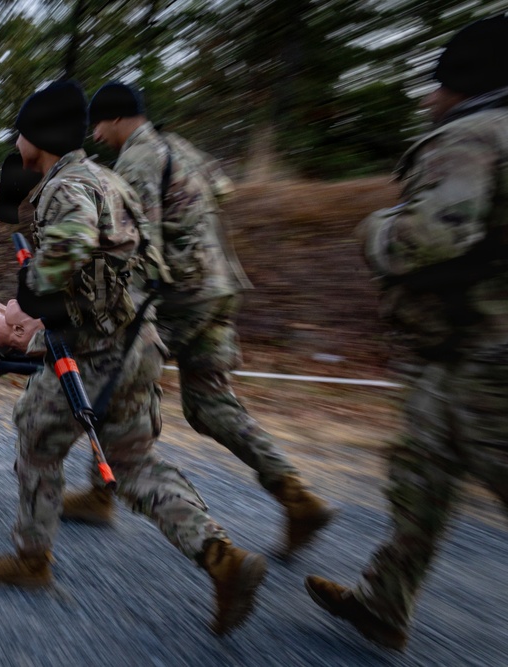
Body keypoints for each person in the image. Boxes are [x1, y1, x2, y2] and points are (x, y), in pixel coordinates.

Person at [0, 81, 267, 636]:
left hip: (92, 350)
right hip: (139, 341)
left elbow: (73, 240)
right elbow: (146, 252)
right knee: (133, 463)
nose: (15, 140)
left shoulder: (68, 187)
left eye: (19, 130)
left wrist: (36, 290)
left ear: (37, 135)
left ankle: (31, 560)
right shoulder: (111, 178)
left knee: (36, 441)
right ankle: (220, 557)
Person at [304, 16, 508, 651]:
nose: (427, 98)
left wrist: (375, 230)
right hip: (455, 352)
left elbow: (431, 236)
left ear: (463, 84)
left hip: (485, 357)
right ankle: (382, 603)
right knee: (421, 479)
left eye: (434, 84)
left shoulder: (474, 134)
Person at [80, 81, 335, 556]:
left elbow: (136, 243)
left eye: (97, 123)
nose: (95, 135)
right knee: (208, 404)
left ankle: (102, 494)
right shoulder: (180, 147)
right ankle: (293, 493)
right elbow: (220, 192)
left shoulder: (136, 161)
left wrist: (116, 311)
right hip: (219, 287)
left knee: (116, 379)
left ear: (115, 119)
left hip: (178, 294)